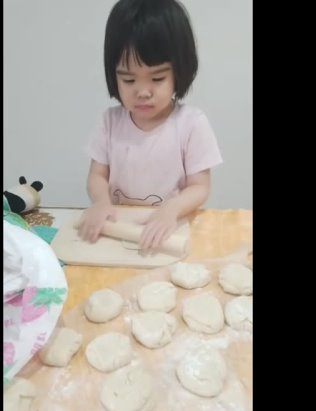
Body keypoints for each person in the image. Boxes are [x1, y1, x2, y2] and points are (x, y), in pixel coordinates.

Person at [77, 0, 223, 252]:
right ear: (114, 75)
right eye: (128, 79)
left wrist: (171, 209)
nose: (143, 92)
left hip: (169, 229)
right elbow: (97, 175)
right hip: (120, 229)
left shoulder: (191, 124)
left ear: (180, 72)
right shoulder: (109, 122)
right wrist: (101, 201)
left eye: (157, 78)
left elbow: (200, 187)